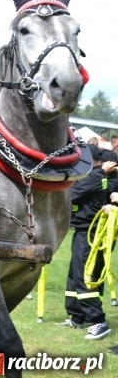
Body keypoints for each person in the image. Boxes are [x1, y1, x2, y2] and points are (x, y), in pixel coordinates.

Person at [60, 144, 115, 339]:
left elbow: (71, 195)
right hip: (85, 232)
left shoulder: (95, 177)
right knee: (75, 275)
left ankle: (98, 321)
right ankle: (77, 316)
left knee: (85, 276)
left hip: (91, 233)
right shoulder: (98, 177)